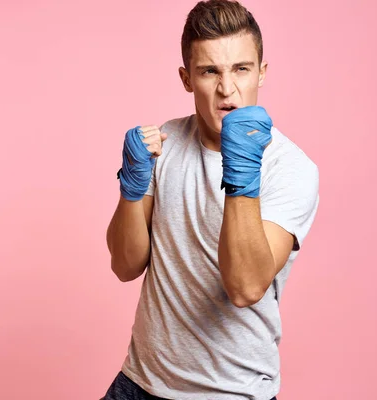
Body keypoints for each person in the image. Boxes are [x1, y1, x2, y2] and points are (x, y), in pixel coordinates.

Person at [103, 0, 320, 399]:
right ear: (187, 78)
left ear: (262, 72)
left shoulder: (290, 168)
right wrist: (131, 188)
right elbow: (125, 264)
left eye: (241, 68)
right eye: (209, 71)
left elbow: (244, 287)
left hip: (231, 391)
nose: (227, 88)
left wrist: (241, 172)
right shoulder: (165, 142)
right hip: (140, 381)